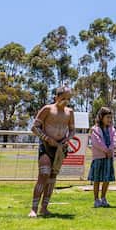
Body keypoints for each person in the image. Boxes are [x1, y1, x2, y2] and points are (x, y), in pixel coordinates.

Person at [30, 86, 75, 217]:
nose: (65, 101)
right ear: (56, 97)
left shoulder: (69, 112)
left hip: (60, 148)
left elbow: (72, 130)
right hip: (46, 146)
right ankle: (33, 208)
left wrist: (67, 139)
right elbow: (34, 127)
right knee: (44, 174)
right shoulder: (47, 109)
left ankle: (44, 208)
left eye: (68, 98)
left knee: (52, 177)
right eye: (63, 98)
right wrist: (47, 139)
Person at [88, 106, 116, 208]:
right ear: (101, 117)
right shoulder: (95, 130)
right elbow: (97, 142)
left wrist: (110, 150)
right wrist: (106, 150)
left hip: (108, 158)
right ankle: (96, 199)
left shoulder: (112, 129)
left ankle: (103, 198)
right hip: (98, 158)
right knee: (96, 179)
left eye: (110, 117)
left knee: (106, 179)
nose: (109, 119)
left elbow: (114, 140)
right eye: (107, 117)